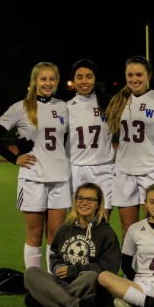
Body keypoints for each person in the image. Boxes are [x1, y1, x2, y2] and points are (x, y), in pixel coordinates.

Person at [0, 62, 69, 272]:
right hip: (33, 178)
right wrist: (14, 158)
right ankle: (34, 282)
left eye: (51, 79)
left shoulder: (63, 107)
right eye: (43, 79)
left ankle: (52, 280)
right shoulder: (20, 107)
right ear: (34, 82)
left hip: (59, 178)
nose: (47, 83)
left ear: (57, 82)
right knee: (34, 234)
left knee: (55, 235)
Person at [105, 56, 154, 242]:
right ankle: (131, 270)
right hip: (124, 170)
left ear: (148, 76)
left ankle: (153, 268)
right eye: (130, 75)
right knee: (128, 229)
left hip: (151, 170)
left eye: (139, 74)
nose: (134, 79)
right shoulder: (118, 101)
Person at [23, 183, 120, 307]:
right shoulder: (64, 229)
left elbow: (108, 269)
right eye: (80, 198)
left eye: (90, 199)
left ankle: (48, 299)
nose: (84, 203)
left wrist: (74, 270)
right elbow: (55, 255)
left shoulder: (107, 233)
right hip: (62, 282)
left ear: (98, 204)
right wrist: (57, 267)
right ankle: (76, 303)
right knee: (31, 273)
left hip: (86, 283)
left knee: (90, 276)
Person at [66, 59, 114, 220]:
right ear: (74, 80)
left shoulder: (109, 104)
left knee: (102, 220)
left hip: (104, 169)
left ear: (95, 78)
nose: (84, 81)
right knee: (79, 222)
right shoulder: (66, 107)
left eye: (89, 76)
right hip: (76, 170)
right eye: (79, 77)